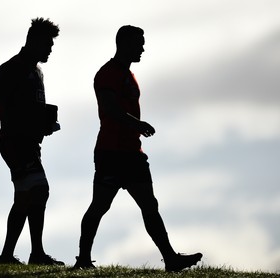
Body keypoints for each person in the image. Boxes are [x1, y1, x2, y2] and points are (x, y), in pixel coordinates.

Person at [73, 25, 202, 272]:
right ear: (123, 43)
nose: (142, 48)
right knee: (99, 206)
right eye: (138, 43)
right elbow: (110, 108)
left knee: (149, 205)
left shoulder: (128, 74)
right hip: (111, 152)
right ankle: (83, 260)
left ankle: (170, 259)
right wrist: (138, 124)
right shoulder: (107, 73)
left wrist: (136, 128)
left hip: (133, 153)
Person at [0, 17, 64, 265]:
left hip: (30, 143)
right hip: (14, 142)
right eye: (48, 44)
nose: (50, 49)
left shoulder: (37, 72)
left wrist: (45, 124)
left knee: (25, 196)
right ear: (35, 41)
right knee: (40, 189)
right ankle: (36, 253)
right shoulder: (11, 68)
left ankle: (8, 256)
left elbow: (29, 109)